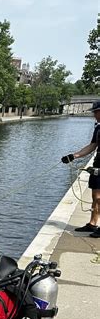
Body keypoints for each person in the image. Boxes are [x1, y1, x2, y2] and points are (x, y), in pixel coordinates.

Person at [61, 99, 100, 238]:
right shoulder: (98, 128)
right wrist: (74, 155)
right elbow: (92, 146)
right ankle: (93, 223)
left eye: (96, 112)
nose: (94, 115)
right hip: (98, 165)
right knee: (96, 196)